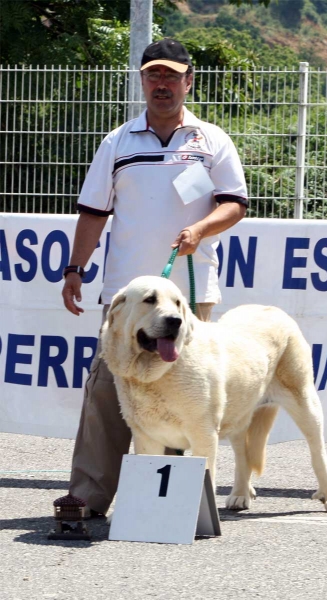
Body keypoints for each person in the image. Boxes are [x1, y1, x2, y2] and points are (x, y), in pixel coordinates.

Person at [57, 38, 248, 517]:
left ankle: (175, 509)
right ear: (142, 81)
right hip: (128, 300)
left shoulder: (212, 141)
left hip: (188, 298)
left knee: (187, 398)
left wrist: (201, 229)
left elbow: (235, 204)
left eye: (172, 75)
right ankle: (87, 496)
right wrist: (75, 268)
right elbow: (93, 211)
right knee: (107, 397)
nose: (162, 84)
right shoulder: (117, 142)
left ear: (189, 80)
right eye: (153, 75)